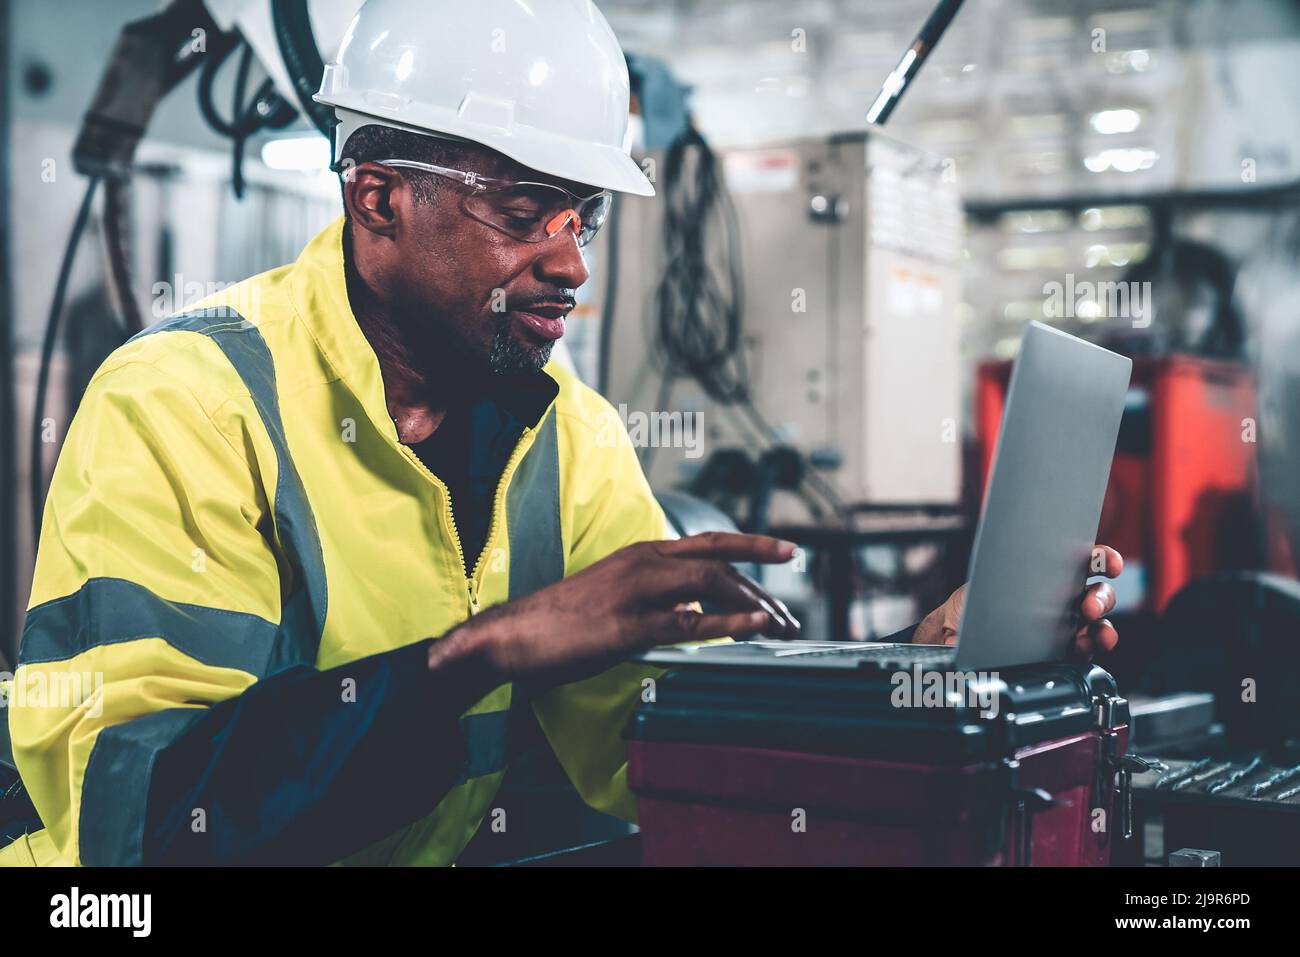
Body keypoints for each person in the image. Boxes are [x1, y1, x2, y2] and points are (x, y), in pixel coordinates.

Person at [0, 0, 1119, 866]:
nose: (572, 261)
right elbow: (146, 818)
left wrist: (907, 678)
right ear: (378, 197)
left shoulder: (565, 432)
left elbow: (668, 739)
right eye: (522, 207)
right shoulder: (186, 400)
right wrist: (479, 654)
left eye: (580, 216)